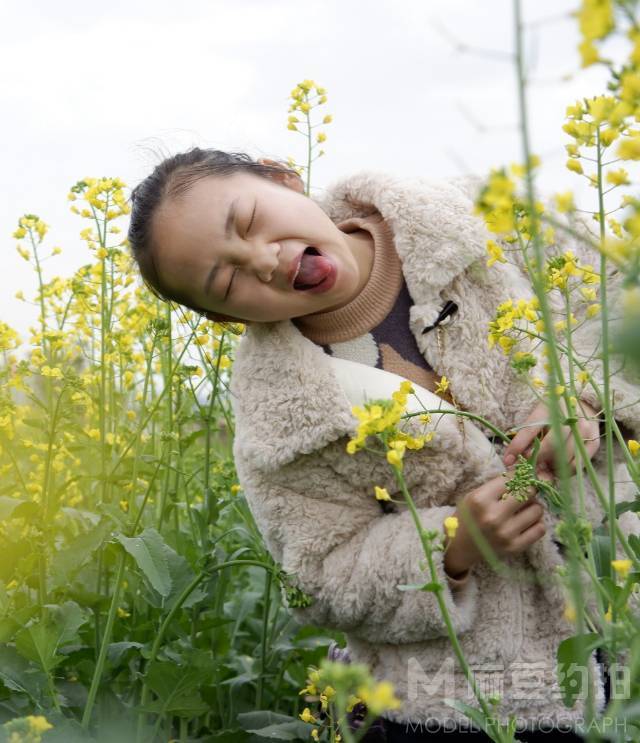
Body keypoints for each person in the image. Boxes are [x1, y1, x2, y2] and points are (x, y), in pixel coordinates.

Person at [127, 148, 640, 741]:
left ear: (283, 178)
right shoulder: (282, 417)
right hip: (471, 697)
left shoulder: (489, 221)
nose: (263, 260)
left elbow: (621, 308)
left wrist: (587, 400)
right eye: (229, 280)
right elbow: (319, 579)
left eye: (246, 221)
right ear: (224, 318)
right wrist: (451, 546)